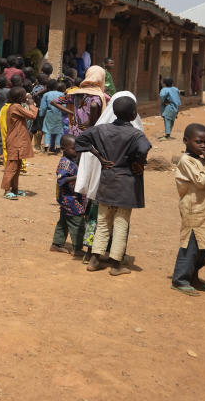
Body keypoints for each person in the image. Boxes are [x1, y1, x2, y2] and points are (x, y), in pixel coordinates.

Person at [74, 96, 151, 276]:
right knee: (121, 223)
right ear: (134, 115)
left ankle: (94, 260)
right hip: (126, 183)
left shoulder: (101, 129)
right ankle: (116, 265)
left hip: (107, 180)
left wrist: (100, 157)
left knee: (102, 222)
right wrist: (137, 162)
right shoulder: (136, 134)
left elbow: (80, 140)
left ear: (114, 112)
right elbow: (143, 149)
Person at [170, 123, 205, 295]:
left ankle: (194, 276)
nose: (203, 146)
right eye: (199, 141)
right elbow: (201, 182)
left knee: (203, 246)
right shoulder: (186, 161)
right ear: (186, 141)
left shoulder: (199, 159)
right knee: (191, 246)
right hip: (194, 210)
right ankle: (180, 280)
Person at [50, 134, 85, 255]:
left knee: (64, 221)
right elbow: (61, 180)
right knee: (77, 222)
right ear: (64, 149)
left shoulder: (72, 160)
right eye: (73, 148)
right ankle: (77, 248)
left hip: (70, 197)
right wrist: (77, 177)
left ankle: (57, 244)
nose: (76, 151)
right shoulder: (65, 163)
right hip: (69, 198)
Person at [0, 87, 37, 199]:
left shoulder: (16, 106)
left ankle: (15, 189)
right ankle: (7, 191)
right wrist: (31, 104)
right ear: (20, 97)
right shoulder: (15, 107)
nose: (26, 97)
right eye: (24, 95)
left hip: (18, 140)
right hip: (15, 141)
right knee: (12, 165)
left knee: (18, 165)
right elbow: (33, 116)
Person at [53, 65, 109, 137]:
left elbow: (54, 102)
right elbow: (94, 105)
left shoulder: (76, 93)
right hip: (88, 135)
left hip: (74, 132)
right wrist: (90, 123)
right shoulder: (97, 95)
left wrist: (72, 113)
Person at [38, 78, 65, 153]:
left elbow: (43, 107)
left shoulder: (46, 94)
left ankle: (46, 147)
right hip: (59, 114)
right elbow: (64, 106)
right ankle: (57, 147)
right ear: (56, 86)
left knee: (47, 130)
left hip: (49, 114)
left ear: (48, 86)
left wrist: (41, 115)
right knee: (59, 131)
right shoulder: (61, 94)